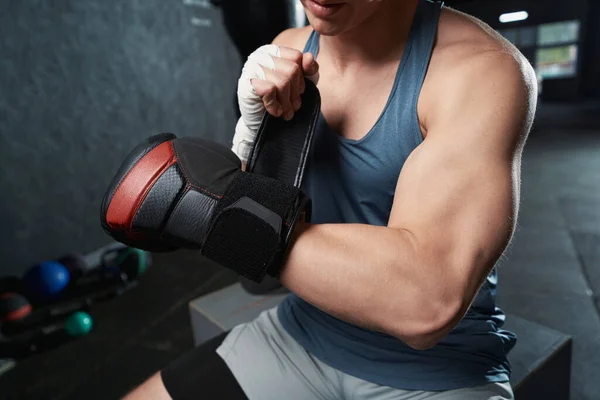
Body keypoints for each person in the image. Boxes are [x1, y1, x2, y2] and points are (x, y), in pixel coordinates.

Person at [125, 0, 536, 398]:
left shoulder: (479, 70)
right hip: (304, 333)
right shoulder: (289, 47)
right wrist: (253, 139)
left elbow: (427, 304)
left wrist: (207, 212)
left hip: (435, 373)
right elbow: (262, 273)